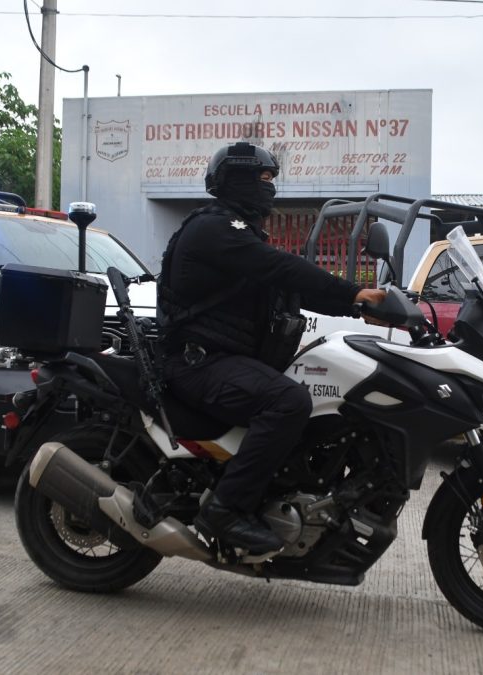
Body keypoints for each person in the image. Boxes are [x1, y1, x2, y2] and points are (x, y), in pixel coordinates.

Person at [158, 141, 386, 554]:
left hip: (223, 359)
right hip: (198, 363)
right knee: (289, 402)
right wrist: (353, 289)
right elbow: (281, 267)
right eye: (264, 178)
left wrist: (359, 307)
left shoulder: (238, 233)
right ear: (239, 179)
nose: (270, 188)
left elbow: (286, 285)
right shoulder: (213, 229)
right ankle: (224, 510)